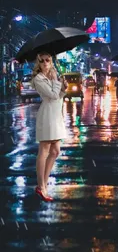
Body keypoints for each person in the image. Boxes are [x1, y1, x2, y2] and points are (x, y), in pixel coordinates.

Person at [31, 52, 67, 202]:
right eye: (42, 61)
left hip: (56, 115)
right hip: (47, 116)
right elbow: (52, 95)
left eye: (48, 60)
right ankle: (41, 186)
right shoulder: (38, 79)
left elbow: (59, 96)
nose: (45, 63)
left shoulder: (52, 76)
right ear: (38, 63)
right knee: (44, 149)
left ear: (52, 62)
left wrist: (64, 88)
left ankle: (43, 184)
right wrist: (58, 83)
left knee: (55, 150)